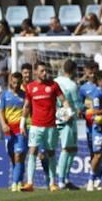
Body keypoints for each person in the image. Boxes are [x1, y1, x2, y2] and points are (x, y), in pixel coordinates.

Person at [20, 62, 68, 192]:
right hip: (35, 125)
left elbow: (64, 100)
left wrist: (68, 112)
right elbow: (27, 106)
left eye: (45, 71)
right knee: (32, 151)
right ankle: (30, 183)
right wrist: (22, 123)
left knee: (51, 153)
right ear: (35, 72)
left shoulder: (53, 85)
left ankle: (53, 183)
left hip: (51, 126)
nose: (44, 73)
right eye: (41, 71)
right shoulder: (30, 87)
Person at [54, 59, 85, 190]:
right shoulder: (72, 85)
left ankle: (65, 178)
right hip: (68, 118)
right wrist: (85, 107)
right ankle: (61, 180)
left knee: (72, 149)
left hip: (55, 116)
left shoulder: (55, 81)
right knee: (67, 149)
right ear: (73, 70)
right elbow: (77, 104)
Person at [0, 72, 29, 191]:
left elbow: (27, 111)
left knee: (18, 156)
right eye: (14, 82)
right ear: (10, 82)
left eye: (18, 83)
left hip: (20, 128)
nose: (16, 85)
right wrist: (3, 124)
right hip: (8, 130)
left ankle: (15, 183)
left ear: (22, 82)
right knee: (13, 157)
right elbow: (1, 112)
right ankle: (20, 180)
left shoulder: (25, 95)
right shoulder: (5, 95)